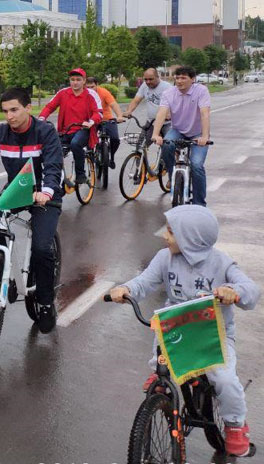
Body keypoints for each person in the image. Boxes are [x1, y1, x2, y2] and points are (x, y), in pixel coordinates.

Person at [109, 206, 259, 457]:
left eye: (171, 232)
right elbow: (144, 282)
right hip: (177, 327)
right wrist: (125, 289)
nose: (165, 237)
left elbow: (250, 290)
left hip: (212, 334)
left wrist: (235, 292)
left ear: (191, 239)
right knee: (160, 328)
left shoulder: (220, 263)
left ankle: (235, 425)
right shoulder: (164, 257)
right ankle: (160, 373)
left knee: (224, 380)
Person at [0, 88, 64, 332]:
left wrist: (46, 193)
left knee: (41, 248)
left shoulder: (45, 132)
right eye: (5, 111)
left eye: (14, 110)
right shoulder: (1, 132)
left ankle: (46, 303)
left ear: (28, 108)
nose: (9, 116)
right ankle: (3, 263)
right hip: (17, 190)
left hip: (45, 195)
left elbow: (53, 166)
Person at [153, 65, 211, 206]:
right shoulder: (169, 93)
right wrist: (155, 134)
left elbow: (204, 113)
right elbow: (161, 113)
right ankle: (173, 175)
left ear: (193, 79)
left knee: (197, 165)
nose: (179, 81)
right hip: (178, 130)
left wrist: (205, 136)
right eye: (177, 78)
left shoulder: (201, 91)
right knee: (166, 144)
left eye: (183, 78)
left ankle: (199, 204)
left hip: (197, 133)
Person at [38, 67, 102, 184]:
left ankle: (80, 175)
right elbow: (49, 107)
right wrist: (42, 119)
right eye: (72, 79)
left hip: (83, 129)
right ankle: (53, 177)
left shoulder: (90, 94)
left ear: (84, 81)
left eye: (78, 79)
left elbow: (98, 112)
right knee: (50, 148)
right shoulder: (63, 93)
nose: (75, 82)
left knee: (75, 144)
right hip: (65, 130)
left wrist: (90, 122)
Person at [85, 75, 122, 167]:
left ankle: (111, 157)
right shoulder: (83, 94)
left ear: (97, 85)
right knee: (86, 138)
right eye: (88, 87)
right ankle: (91, 156)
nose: (90, 89)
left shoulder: (104, 92)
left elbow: (113, 104)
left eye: (92, 86)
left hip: (106, 119)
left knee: (115, 139)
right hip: (91, 120)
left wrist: (119, 116)